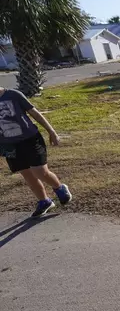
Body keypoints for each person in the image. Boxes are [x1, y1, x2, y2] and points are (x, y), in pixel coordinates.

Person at [0, 87, 72, 217]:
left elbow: (35, 113)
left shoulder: (13, 95)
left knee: (40, 172)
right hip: (9, 144)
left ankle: (59, 187)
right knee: (27, 174)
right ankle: (44, 201)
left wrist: (51, 132)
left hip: (30, 139)